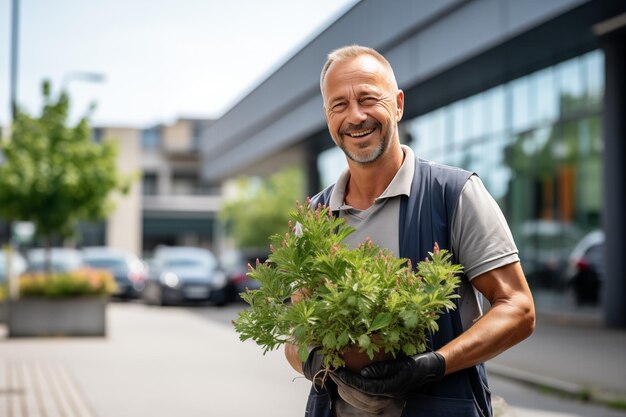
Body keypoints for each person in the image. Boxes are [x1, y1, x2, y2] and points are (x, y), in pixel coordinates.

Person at [284, 45, 535, 417]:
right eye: (339, 105)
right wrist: (316, 361)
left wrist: (433, 364)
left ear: (398, 104)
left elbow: (518, 309)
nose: (355, 116)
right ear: (327, 117)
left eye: (368, 98)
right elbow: (296, 337)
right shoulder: (315, 217)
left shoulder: (454, 194)